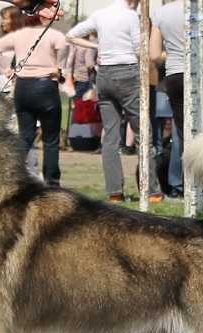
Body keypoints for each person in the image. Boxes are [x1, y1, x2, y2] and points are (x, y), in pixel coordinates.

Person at [66, 0, 163, 203]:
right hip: (127, 71)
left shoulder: (101, 14)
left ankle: (115, 192)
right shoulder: (131, 17)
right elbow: (139, 49)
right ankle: (152, 190)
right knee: (143, 133)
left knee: (110, 136)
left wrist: (98, 45)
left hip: (105, 75)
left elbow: (71, 35)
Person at [149, 0, 203, 197]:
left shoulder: (160, 14)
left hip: (176, 73)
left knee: (184, 132)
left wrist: (175, 52)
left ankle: (190, 184)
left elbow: (154, 54)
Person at [0, 9, 66, 187]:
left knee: (25, 136)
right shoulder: (52, 34)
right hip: (46, 85)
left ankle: (13, 175)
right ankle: (52, 181)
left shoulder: (18, 35)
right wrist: (59, 68)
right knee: (51, 139)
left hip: (23, 86)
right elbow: (63, 46)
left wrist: (7, 70)